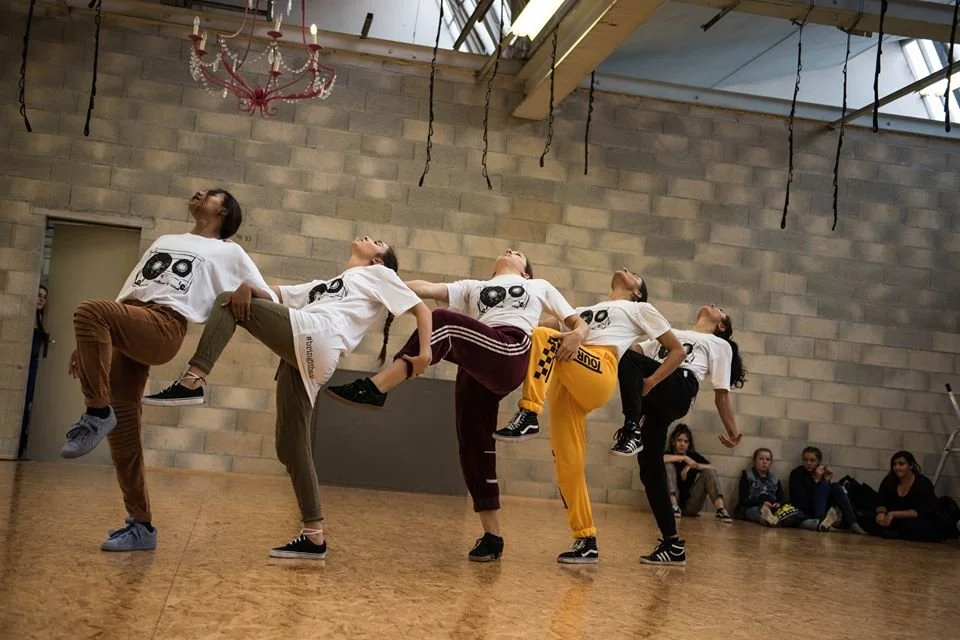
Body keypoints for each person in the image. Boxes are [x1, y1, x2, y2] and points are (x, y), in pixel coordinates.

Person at [144, 236, 433, 559]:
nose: (368, 237)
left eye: (377, 242)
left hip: (318, 334)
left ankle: (193, 379)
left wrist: (424, 353)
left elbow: (422, 311)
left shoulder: (379, 275)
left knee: (229, 301)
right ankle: (314, 536)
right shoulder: (328, 284)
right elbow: (275, 294)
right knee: (291, 447)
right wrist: (251, 288)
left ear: (379, 261)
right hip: (314, 353)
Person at [326, 249, 588, 562]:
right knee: (473, 445)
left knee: (443, 321)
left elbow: (576, 321)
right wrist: (375, 285)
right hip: (478, 359)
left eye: (518, 254)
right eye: (508, 250)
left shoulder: (539, 286)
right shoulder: (472, 287)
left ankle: (376, 387)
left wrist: (579, 334)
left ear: (525, 273)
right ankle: (493, 537)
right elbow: (425, 287)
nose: (510, 252)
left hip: (511, 348)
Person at [63, 189, 274, 552]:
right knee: (124, 433)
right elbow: (129, 291)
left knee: (88, 309)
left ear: (223, 211)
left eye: (208, 194)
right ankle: (141, 526)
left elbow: (267, 295)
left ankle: (97, 413)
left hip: (164, 326)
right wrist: (89, 342)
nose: (197, 194)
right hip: (129, 322)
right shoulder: (166, 239)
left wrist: (245, 287)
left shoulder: (229, 251)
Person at [492, 268, 685, 564]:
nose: (627, 271)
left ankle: (529, 412)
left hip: (600, 368)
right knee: (568, 465)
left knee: (547, 337)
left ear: (637, 291)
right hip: (565, 381)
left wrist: (649, 383)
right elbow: (534, 325)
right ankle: (586, 539)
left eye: (635, 274)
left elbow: (677, 351)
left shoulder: (639, 308)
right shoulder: (582, 311)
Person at [613, 303, 745, 566]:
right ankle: (672, 544)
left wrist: (733, 431)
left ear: (721, 325)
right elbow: (632, 354)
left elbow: (721, 395)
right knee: (650, 470)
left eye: (721, 310)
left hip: (680, 388)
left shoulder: (719, 345)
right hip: (654, 400)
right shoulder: (670, 333)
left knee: (627, 360)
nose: (713, 305)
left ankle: (631, 429)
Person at [663, 424, 733, 522]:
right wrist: (684, 458)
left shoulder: (693, 456)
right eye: (679, 440)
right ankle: (674, 506)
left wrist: (694, 465)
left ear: (689, 444)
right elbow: (659, 460)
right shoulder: (668, 454)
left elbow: (712, 468)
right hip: (670, 504)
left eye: (686, 441)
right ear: (673, 442)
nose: (682, 444)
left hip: (691, 503)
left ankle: (721, 509)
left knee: (709, 472)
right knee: (668, 466)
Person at [788, 446, 866, 534]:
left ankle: (852, 522)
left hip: (820, 508)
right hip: (803, 509)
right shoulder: (796, 473)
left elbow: (825, 496)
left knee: (836, 486)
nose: (808, 463)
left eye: (812, 460)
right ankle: (821, 522)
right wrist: (816, 481)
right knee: (823, 485)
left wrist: (827, 479)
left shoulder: (821, 472)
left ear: (818, 462)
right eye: (805, 460)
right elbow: (799, 499)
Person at [868, 451, 942, 542]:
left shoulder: (923, 483)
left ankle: (894, 532)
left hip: (915, 518)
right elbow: (881, 499)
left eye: (901, 464)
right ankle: (893, 532)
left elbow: (921, 511)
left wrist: (893, 514)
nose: (897, 467)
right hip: (894, 518)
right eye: (894, 464)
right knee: (869, 518)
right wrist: (881, 513)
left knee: (920, 527)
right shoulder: (889, 480)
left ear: (910, 466)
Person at [18, 284, 51, 459]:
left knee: (28, 407)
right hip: (24, 366)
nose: (41, 299)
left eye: (44, 297)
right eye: (38, 295)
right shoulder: (25, 319)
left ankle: (21, 448)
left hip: (33, 367)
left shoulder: (40, 319)